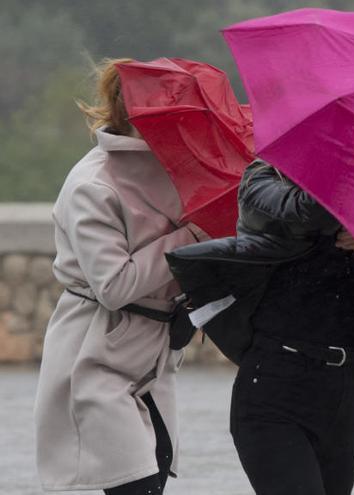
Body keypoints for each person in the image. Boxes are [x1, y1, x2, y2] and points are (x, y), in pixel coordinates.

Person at [33, 58, 210, 494]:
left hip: (154, 352)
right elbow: (113, 286)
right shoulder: (92, 185)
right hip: (96, 353)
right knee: (135, 482)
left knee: (153, 475)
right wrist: (191, 235)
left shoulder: (182, 172)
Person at [226, 161, 354, 495]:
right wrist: (351, 191)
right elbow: (296, 214)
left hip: (346, 394)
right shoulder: (263, 178)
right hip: (274, 389)